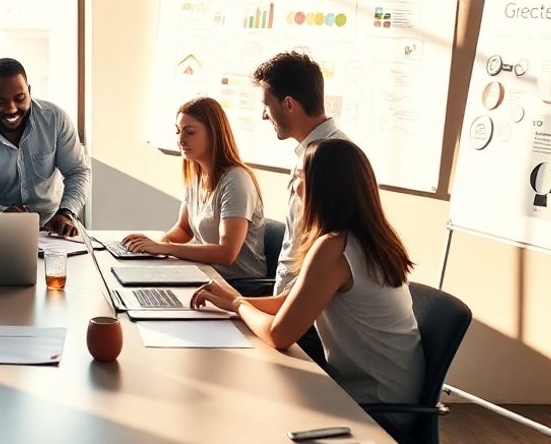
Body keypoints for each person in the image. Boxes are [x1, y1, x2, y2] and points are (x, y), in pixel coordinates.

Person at [190, 139, 424, 427]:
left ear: (322, 187)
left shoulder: (334, 248)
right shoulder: (366, 238)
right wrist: (230, 300)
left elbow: (280, 335)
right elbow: (291, 301)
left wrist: (238, 305)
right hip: (389, 392)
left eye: (299, 177)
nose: (294, 186)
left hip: (376, 408)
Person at [120, 97, 267, 281]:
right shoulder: (196, 175)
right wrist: (154, 244)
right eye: (178, 131)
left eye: (189, 132)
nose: (180, 140)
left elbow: (226, 254)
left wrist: (164, 248)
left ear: (213, 134)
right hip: (206, 274)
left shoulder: (237, 180)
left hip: (238, 285)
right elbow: (184, 229)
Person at [0, 58, 90, 238]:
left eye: (19, 98)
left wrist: (66, 212)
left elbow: (77, 172)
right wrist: (3, 213)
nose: (11, 109)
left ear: (29, 92)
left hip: (53, 228)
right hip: (0, 229)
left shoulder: (55, 120)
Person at [253, 51, 350, 295]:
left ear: (289, 104)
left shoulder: (335, 158)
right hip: (290, 296)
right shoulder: (308, 151)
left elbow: (326, 249)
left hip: (307, 307)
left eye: (267, 105)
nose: (264, 115)